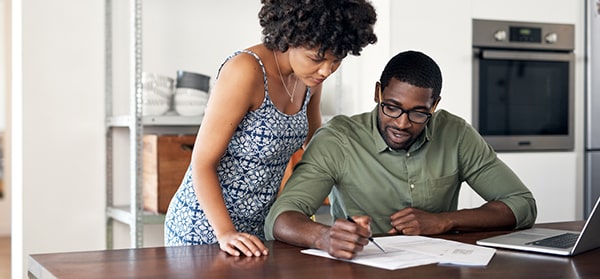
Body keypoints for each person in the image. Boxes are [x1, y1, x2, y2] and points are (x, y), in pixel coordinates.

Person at [264, 50, 537, 260]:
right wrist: (324, 237)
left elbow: (522, 204)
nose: (402, 123)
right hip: (360, 268)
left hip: (438, 267)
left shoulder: (455, 134)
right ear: (377, 93)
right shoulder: (339, 139)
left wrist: (444, 220)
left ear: (435, 105)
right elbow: (281, 218)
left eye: (419, 113)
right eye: (392, 107)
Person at [164, 0, 378, 258]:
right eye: (317, 58)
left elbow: (317, 152)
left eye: (336, 61)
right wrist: (225, 232)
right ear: (289, 37)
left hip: (259, 226)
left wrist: (348, 211)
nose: (326, 70)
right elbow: (202, 163)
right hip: (205, 226)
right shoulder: (246, 70)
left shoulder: (309, 79)